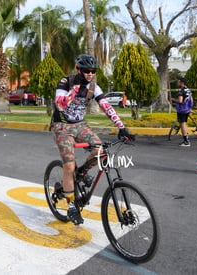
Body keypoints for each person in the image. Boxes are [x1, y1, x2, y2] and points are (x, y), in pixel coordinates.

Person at [52, 54, 134, 225]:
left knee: (101, 152)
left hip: (80, 125)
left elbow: (106, 106)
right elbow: (59, 104)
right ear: (79, 69)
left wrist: (121, 127)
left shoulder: (93, 87)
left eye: (93, 71)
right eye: (87, 71)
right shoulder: (65, 82)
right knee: (68, 165)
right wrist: (75, 90)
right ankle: (71, 206)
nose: (90, 74)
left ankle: (81, 173)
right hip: (62, 126)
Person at [171, 77, 193, 146]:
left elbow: (180, 101)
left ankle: (186, 141)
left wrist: (173, 99)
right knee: (184, 123)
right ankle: (186, 137)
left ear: (182, 83)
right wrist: (190, 107)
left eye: (178, 82)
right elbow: (191, 99)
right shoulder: (188, 90)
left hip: (182, 110)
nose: (177, 83)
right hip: (187, 109)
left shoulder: (181, 91)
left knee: (182, 124)